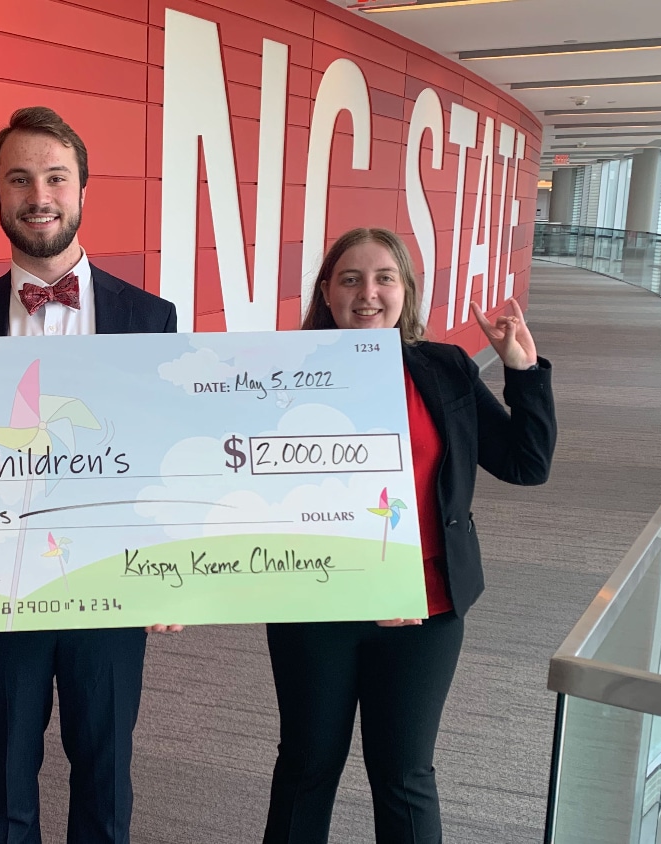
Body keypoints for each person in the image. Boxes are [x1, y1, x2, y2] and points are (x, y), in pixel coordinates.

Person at [260, 228, 556, 844]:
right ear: (326, 293)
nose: (368, 293)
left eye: (383, 278)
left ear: (405, 292)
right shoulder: (280, 373)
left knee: (403, 775)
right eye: (350, 279)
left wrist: (522, 370)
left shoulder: (444, 369)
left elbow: (526, 464)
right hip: (316, 604)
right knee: (307, 767)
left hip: (425, 607)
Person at [0, 106, 178, 844]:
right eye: (20, 178)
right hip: (0, 588)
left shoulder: (151, 318)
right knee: (5, 762)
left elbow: (165, 455)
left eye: (55, 177)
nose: (39, 194)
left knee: (105, 766)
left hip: (112, 582)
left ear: (81, 190)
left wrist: (173, 573)